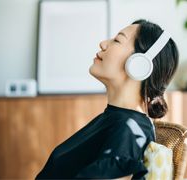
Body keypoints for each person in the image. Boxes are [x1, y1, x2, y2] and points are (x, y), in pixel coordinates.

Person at [35, 19, 179, 179]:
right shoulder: (118, 120)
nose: (103, 44)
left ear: (139, 64)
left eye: (117, 40)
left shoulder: (129, 131)